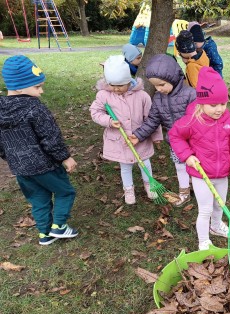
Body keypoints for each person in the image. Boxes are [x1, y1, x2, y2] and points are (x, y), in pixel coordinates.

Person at [0, 55, 78, 245]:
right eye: (37, 87)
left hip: (20, 168)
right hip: (44, 166)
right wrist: (65, 157)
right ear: (19, 87)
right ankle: (59, 226)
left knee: (38, 198)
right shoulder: (35, 108)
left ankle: (45, 234)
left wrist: (9, 156)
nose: (41, 91)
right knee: (65, 191)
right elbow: (50, 137)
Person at [169, 67, 230, 250]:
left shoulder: (229, 121)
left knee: (220, 203)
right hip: (201, 174)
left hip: (221, 174)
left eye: (223, 103)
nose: (219, 109)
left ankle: (216, 226)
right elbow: (175, 136)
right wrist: (187, 156)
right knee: (205, 209)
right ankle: (203, 240)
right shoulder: (192, 120)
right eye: (213, 105)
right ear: (202, 102)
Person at [89, 55, 162, 205]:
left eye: (120, 85)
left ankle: (149, 185)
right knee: (125, 166)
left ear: (129, 81)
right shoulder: (104, 95)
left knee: (145, 163)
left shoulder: (142, 96)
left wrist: (156, 137)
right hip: (120, 140)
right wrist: (108, 121)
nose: (116, 89)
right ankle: (128, 189)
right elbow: (95, 112)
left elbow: (152, 118)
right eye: (112, 85)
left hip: (140, 138)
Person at [129, 54, 197, 207]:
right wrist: (138, 135)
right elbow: (153, 120)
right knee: (180, 167)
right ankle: (184, 192)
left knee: (196, 165)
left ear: (173, 77)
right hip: (176, 143)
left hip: (195, 141)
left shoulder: (191, 94)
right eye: (155, 86)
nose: (158, 89)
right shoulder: (158, 99)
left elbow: (199, 120)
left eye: (162, 84)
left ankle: (199, 185)